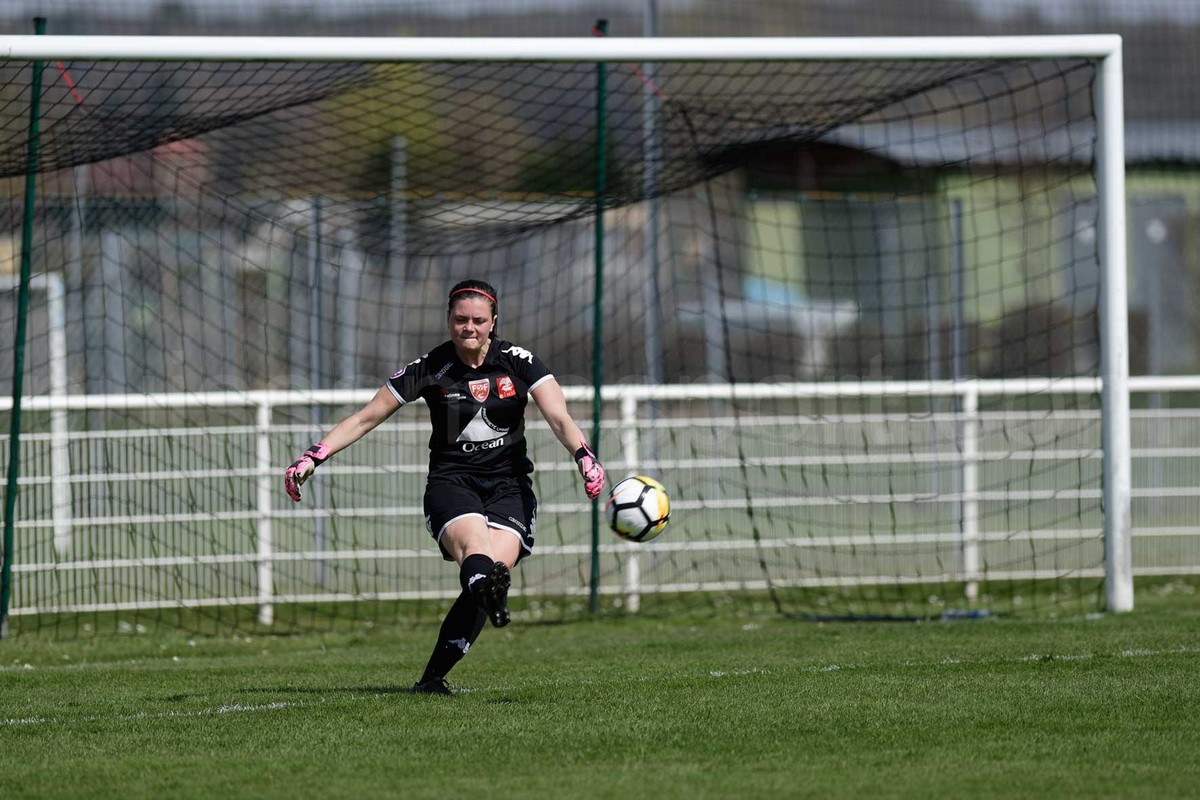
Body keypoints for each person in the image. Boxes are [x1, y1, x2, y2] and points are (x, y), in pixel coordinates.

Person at [283, 279, 605, 695]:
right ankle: (485, 599)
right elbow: (366, 417)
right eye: (460, 319)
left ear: (493, 322)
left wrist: (584, 456)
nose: (469, 327)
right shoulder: (431, 367)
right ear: (448, 320)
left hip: (510, 486)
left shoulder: (519, 362)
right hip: (453, 483)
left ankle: (432, 679)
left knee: (490, 575)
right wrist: (314, 455)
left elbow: (559, 416)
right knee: (477, 554)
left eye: (478, 320)